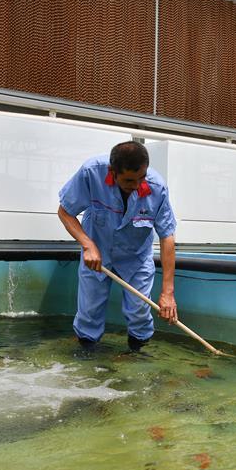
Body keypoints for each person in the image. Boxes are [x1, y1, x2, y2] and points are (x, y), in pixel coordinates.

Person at [57, 141, 177, 352]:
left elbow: (167, 236)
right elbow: (65, 212)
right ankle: (87, 355)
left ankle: (137, 353)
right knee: (89, 312)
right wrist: (87, 245)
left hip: (136, 257)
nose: (137, 185)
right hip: (97, 255)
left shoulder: (157, 187)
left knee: (139, 311)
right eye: (129, 180)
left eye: (141, 177)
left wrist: (168, 292)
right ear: (113, 171)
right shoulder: (91, 173)